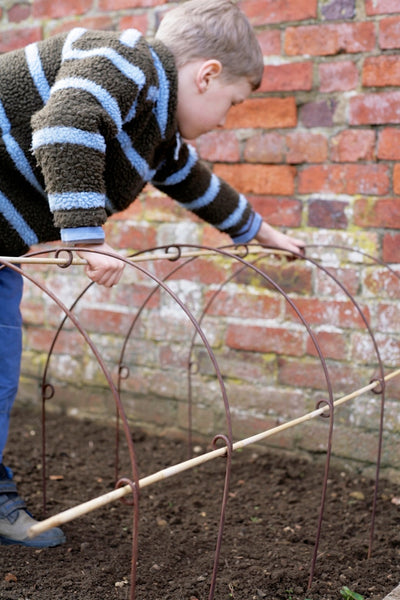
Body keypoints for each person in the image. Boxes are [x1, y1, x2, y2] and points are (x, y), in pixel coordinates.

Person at [0, 0, 304, 547]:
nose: (224, 121)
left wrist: (262, 233)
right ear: (207, 75)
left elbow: (194, 182)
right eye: (231, 104)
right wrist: (88, 238)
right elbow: (64, 124)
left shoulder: (157, 128)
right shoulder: (123, 61)